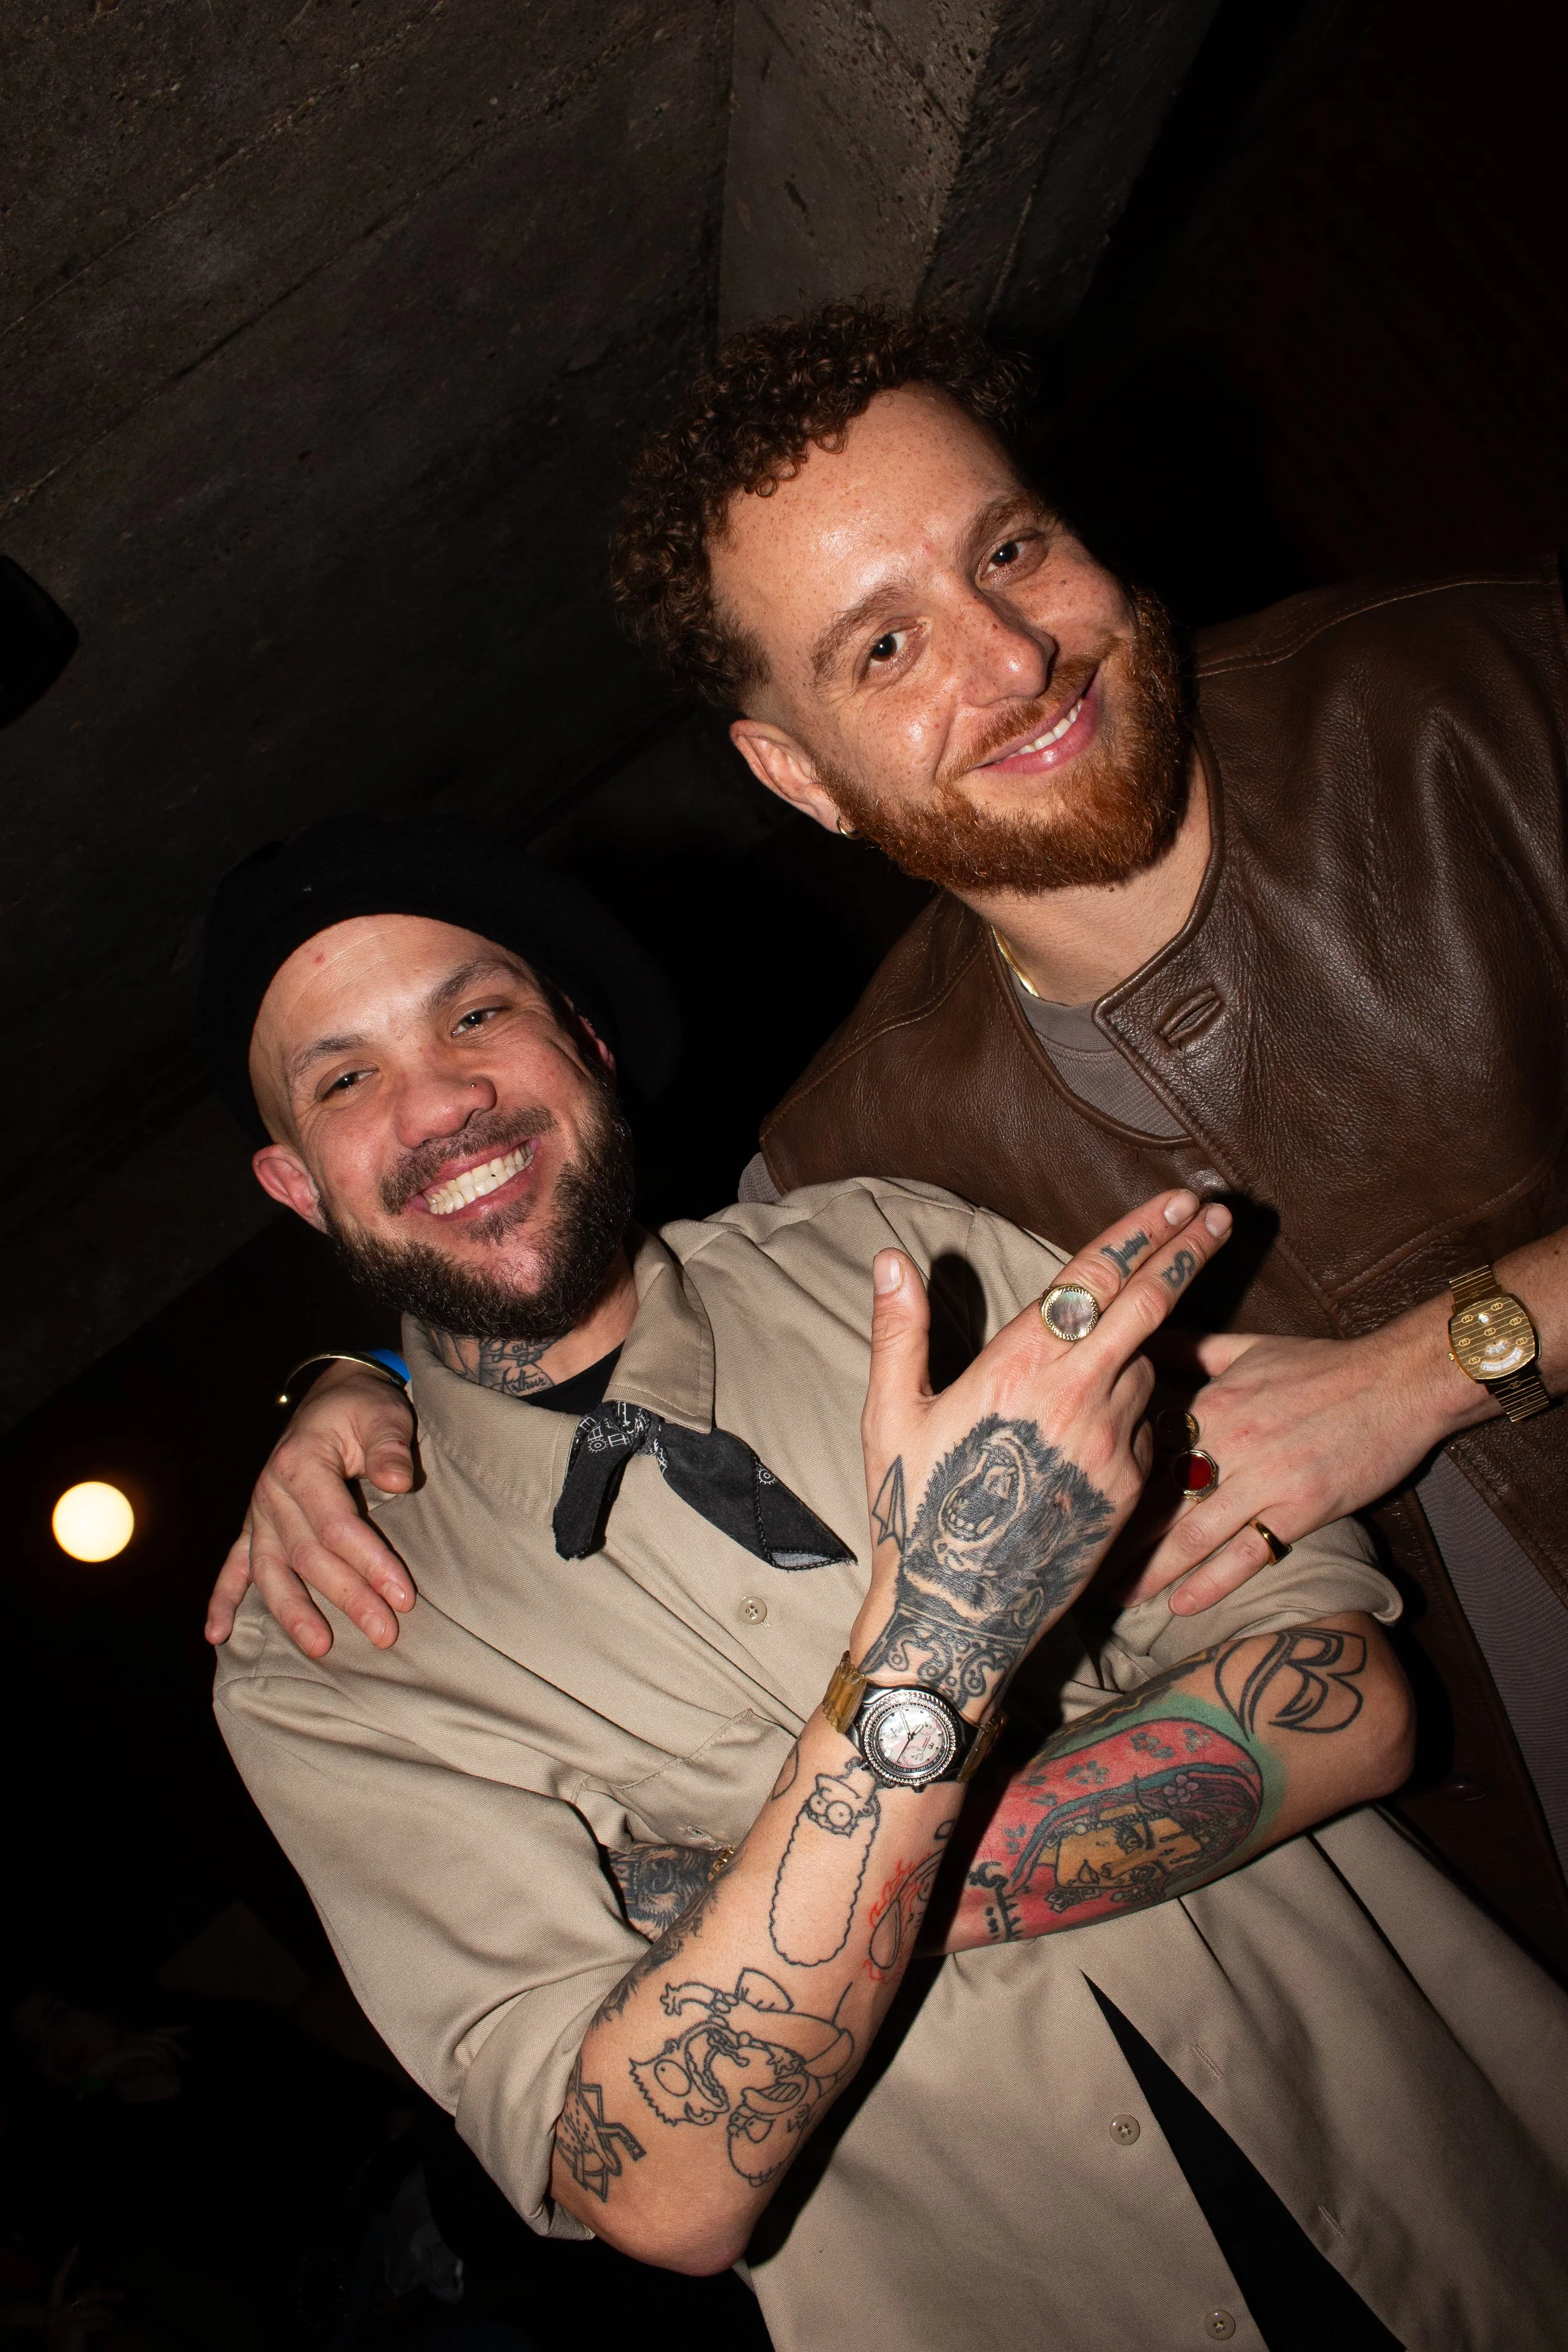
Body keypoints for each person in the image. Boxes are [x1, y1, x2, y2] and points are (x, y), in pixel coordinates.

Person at [225, 304, 1568, 1968]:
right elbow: (595, 1302)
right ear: (796, 773)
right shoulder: (858, 1167)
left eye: (1009, 548)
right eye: (881, 648)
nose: (1005, 658)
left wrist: (1438, 1360)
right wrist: (356, 1387)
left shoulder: (1494, 693)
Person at [202, 815, 1568, 2351]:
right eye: (344, 1079)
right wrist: (950, 1625)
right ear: (296, 1183)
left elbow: (1344, 1701)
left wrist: (728, 1923)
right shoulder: (321, 1650)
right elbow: (652, 2182)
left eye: (475, 1012)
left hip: (1471, 2202)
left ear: (580, 1039)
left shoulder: (897, 1251)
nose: (440, 1101)